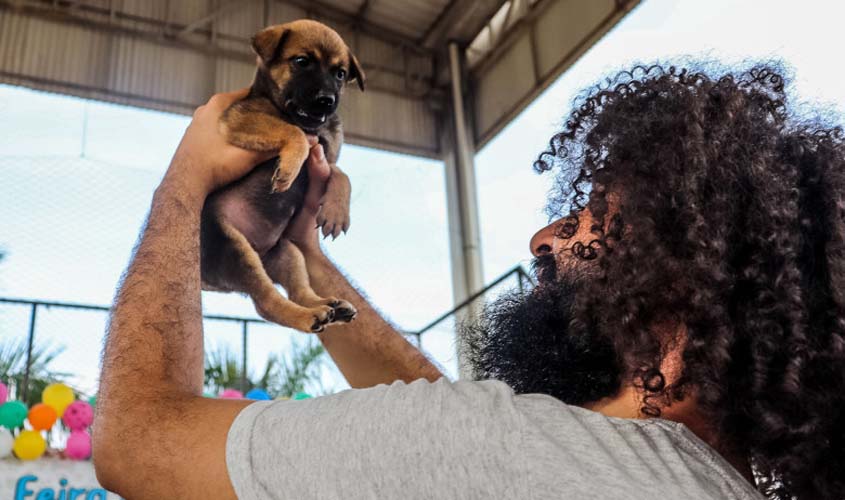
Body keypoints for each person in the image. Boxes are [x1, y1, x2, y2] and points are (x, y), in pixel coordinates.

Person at [92, 64, 844, 500]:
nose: (543, 237)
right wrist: (306, 263)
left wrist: (184, 186)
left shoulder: (515, 452)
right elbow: (441, 424)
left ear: (677, 305)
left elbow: (137, 442)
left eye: (588, 219)